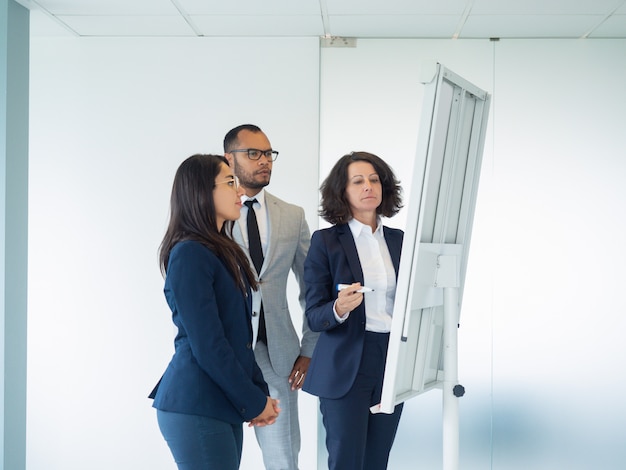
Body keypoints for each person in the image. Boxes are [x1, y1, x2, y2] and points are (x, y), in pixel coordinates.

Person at [149, 154, 280, 470]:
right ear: (200, 192)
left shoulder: (220, 249)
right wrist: (252, 401)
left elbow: (238, 338)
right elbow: (209, 346)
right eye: (230, 182)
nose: (240, 191)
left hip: (217, 402)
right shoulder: (189, 254)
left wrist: (258, 395)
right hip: (196, 402)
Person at [224, 124, 318, 470]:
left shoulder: (292, 216)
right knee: (219, 453)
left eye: (268, 154)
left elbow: (313, 289)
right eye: (253, 153)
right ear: (228, 158)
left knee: (283, 458)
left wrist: (309, 350)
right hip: (225, 352)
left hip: (278, 355)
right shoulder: (211, 213)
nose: (264, 161)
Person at [302, 151, 405, 470]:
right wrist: (338, 308)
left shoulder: (400, 241)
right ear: (342, 191)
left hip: (390, 362)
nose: (368, 187)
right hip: (346, 364)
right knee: (347, 461)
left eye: (374, 180)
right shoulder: (326, 242)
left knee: (377, 461)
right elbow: (314, 315)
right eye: (357, 181)